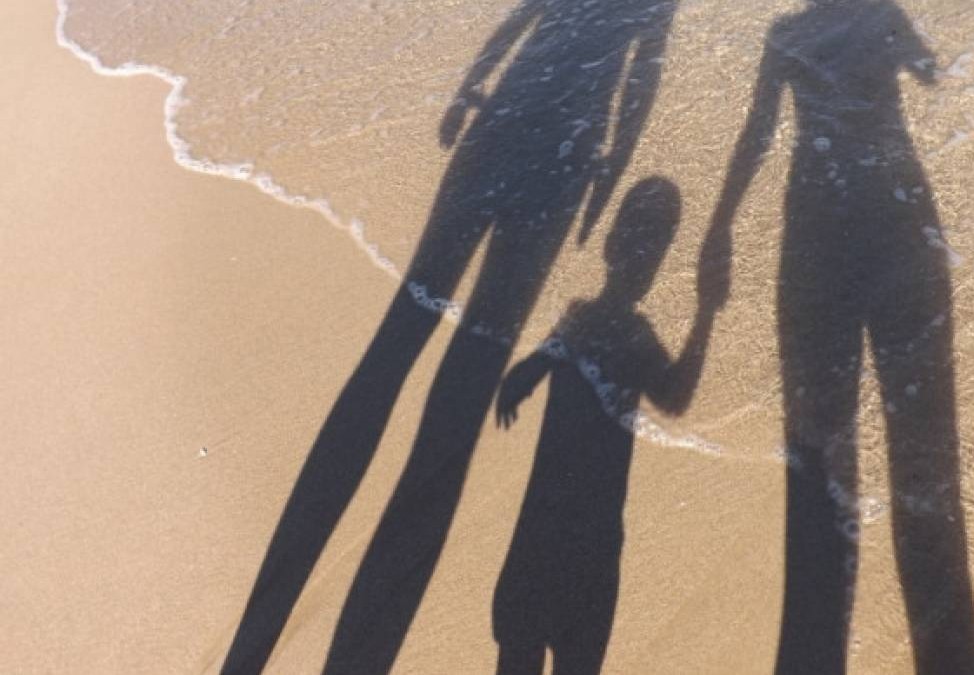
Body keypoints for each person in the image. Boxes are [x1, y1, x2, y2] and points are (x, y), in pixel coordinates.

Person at [222, 1, 678, 673]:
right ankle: (364, 628)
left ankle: (266, 625)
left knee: (400, 334)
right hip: (562, 160)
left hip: (503, 122)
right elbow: (641, 77)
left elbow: (525, 18)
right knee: (470, 368)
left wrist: (473, 84)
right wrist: (611, 169)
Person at [701, 2, 974, 673]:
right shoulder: (883, 15)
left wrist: (721, 225)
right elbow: (932, 73)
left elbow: (758, 130)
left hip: (815, 222)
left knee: (820, 449)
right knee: (924, 448)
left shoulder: (787, 33)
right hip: (899, 214)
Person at [492, 178, 715, 674]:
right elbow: (675, 397)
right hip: (592, 539)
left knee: (518, 652)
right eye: (651, 250)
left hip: (543, 526)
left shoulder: (579, 320)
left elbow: (535, 365)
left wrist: (521, 379)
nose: (645, 262)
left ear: (609, 245)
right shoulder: (634, 338)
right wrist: (704, 315)